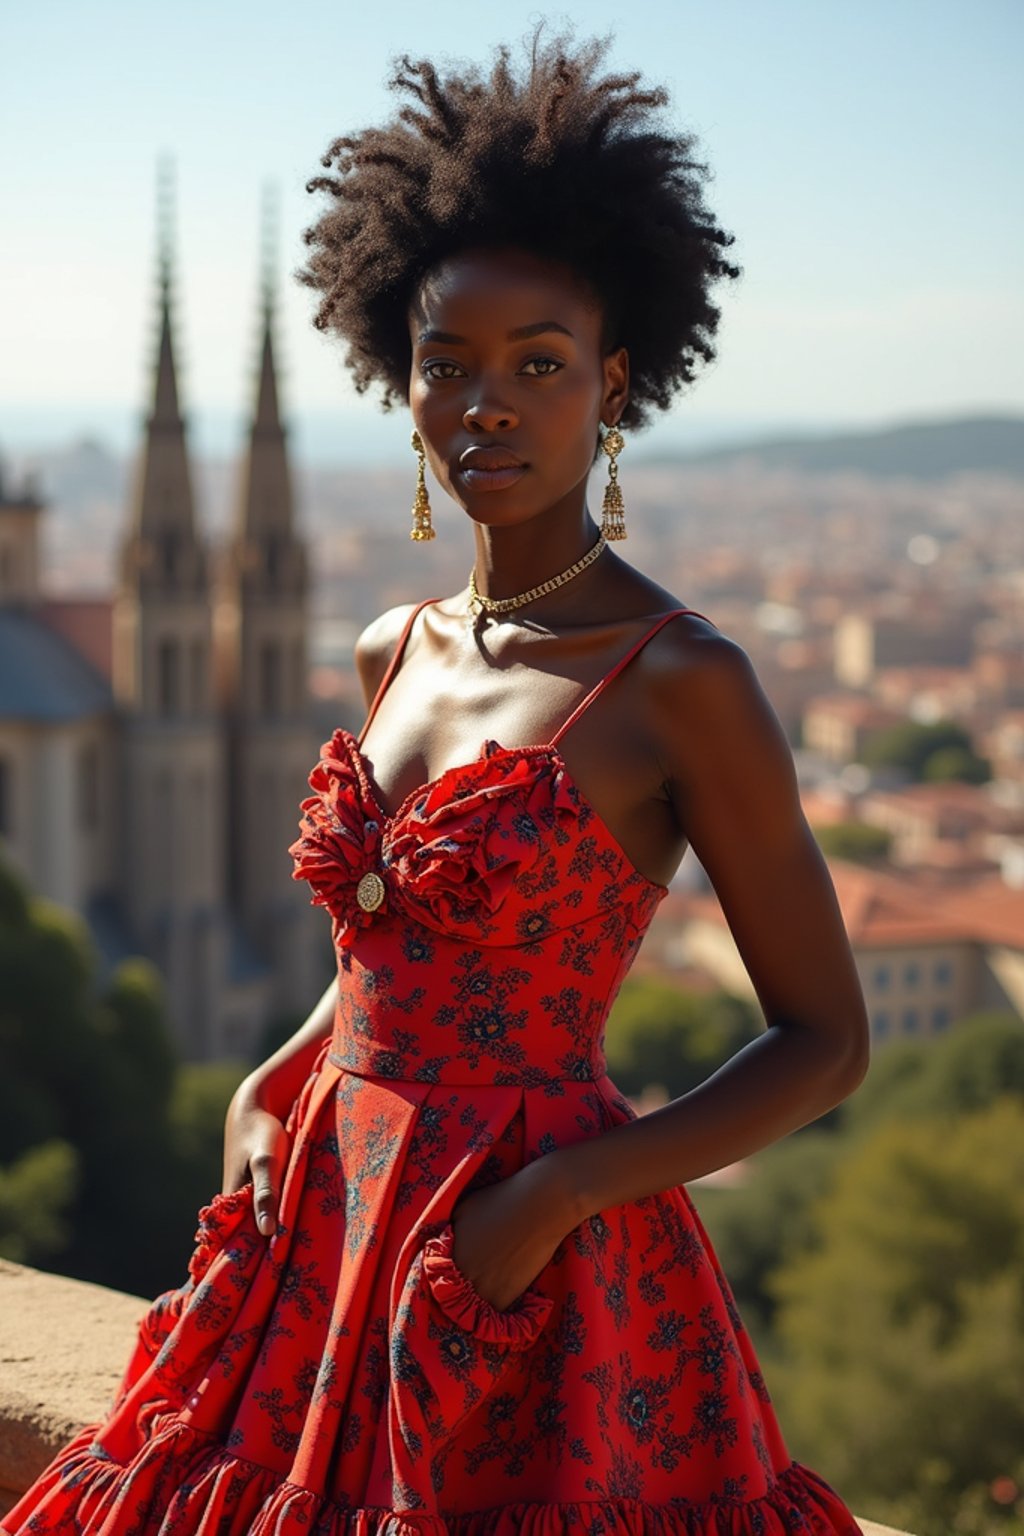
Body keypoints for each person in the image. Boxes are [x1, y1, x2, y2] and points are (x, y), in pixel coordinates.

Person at [2, 24, 870, 1536]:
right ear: (398, 387)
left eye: (540, 367)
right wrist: (289, 1071)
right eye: (447, 365)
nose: (489, 406)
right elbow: (393, 951)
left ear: (615, 386)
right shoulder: (388, 648)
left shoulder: (679, 678)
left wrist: (559, 1198)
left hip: (530, 1267)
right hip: (319, 1239)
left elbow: (825, 1041)